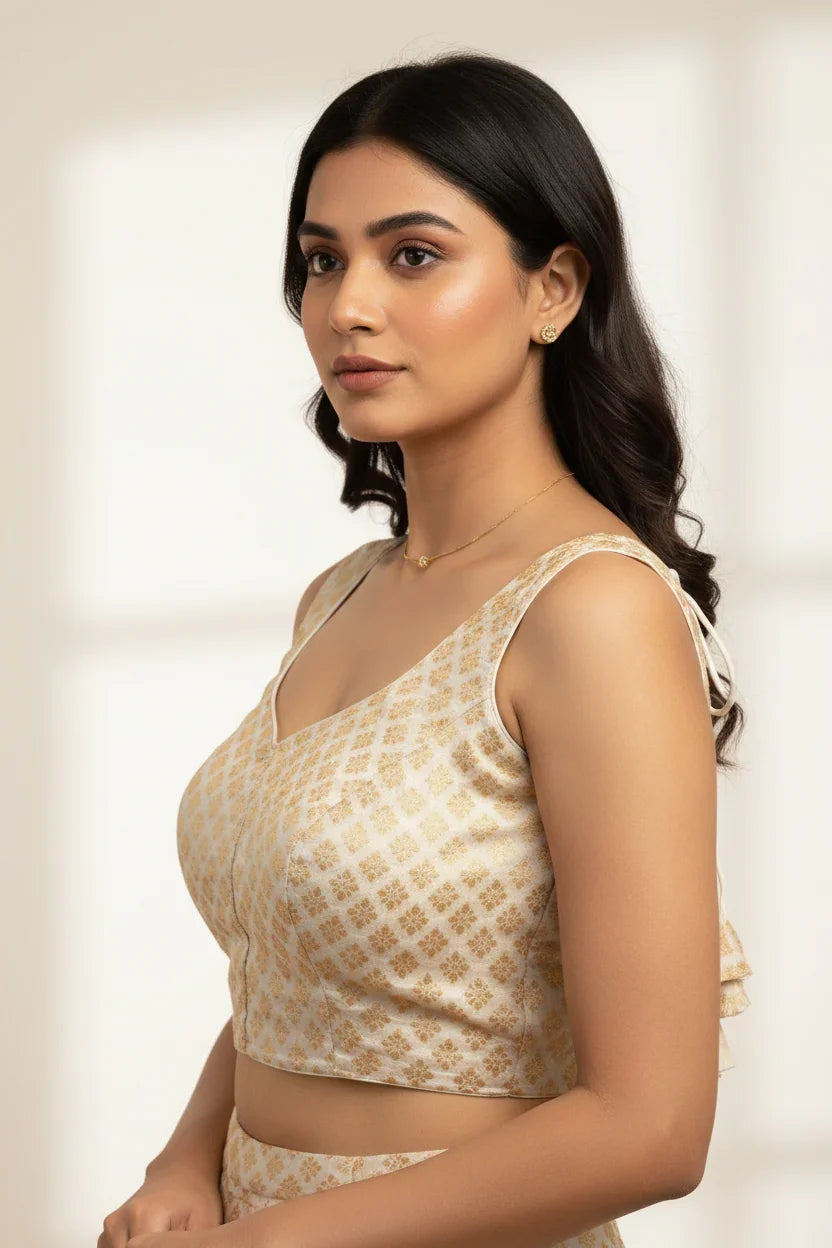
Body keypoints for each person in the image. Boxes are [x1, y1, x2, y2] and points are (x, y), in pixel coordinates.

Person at [102, 49, 752, 1248]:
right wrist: (185, 1163)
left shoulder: (591, 612)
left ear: (553, 288)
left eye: (413, 255)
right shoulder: (343, 595)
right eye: (320, 259)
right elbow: (294, 981)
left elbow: (651, 1126)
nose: (348, 304)